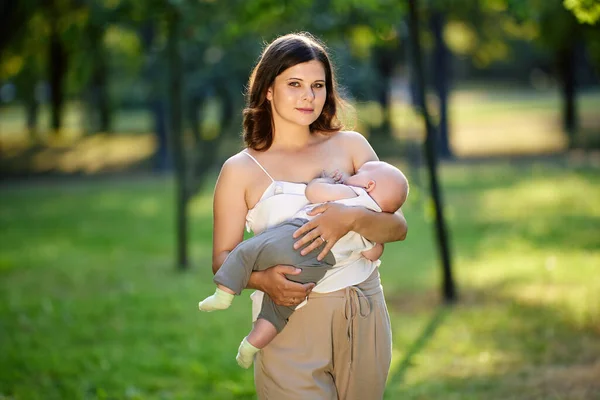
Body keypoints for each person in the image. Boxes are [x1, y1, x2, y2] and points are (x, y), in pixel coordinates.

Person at [211, 32, 408, 400]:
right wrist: (266, 281)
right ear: (268, 89)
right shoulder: (240, 170)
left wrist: (347, 219)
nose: (309, 96)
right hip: (286, 321)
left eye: (318, 85)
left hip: (360, 308)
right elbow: (222, 259)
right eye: (295, 84)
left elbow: (397, 226)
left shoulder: (350, 146)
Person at [199, 161, 408, 369]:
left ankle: (224, 295)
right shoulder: (373, 221)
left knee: (247, 251)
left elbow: (314, 192)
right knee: (279, 312)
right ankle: (250, 345)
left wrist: (325, 181)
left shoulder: (352, 193)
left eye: (359, 173)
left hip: (297, 237)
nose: (353, 175)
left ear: (369, 185)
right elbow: (373, 253)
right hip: (316, 266)